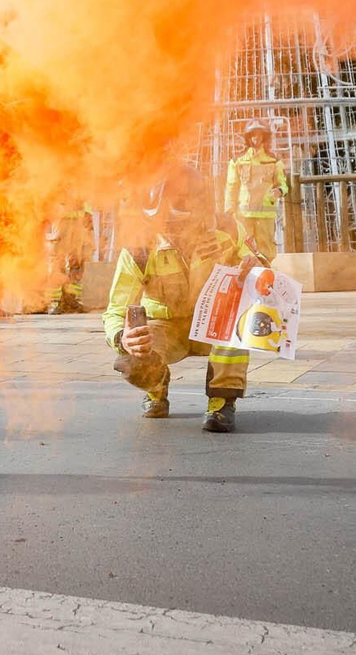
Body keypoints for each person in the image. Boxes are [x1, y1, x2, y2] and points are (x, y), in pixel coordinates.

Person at [103, 162, 260, 433]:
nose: (178, 232)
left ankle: (222, 402)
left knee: (236, 325)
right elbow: (115, 311)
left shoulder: (229, 230)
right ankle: (156, 389)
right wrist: (122, 337)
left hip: (212, 322)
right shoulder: (139, 248)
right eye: (167, 222)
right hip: (165, 329)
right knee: (137, 349)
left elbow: (260, 267)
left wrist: (256, 266)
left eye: (185, 221)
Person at [223, 119, 287, 261]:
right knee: (243, 248)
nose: (256, 138)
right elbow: (231, 187)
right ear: (248, 137)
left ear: (265, 136)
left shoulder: (274, 161)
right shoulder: (237, 161)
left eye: (259, 134)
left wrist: (280, 191)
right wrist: (229, 209)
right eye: (253, 134)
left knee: (266, 251)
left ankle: (267, 276)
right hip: (244, 214)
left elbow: (282, 183)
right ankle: (245, 278)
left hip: (265, 215)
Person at [45, 203, 94, 314]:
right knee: (57, 261)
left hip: (78, 219)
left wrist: (87, 211)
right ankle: (54, 302)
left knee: (77, 261)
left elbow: (83, 192)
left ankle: (72, 299)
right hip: (59, 218)